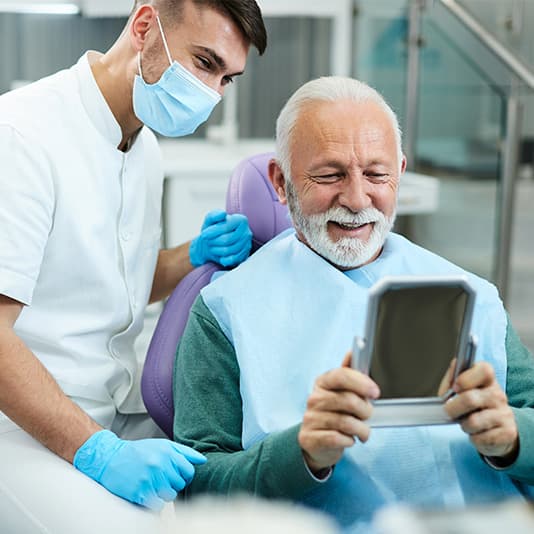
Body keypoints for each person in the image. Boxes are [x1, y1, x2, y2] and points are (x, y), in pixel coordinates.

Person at [172, 76, 534, 531]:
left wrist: (513, 436)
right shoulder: (225, 309)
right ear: (281, 182)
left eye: (377, 174)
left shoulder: (471, 295)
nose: (357, 199)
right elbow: (197, 489)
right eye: (329, 175)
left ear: (400, 172)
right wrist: (299, 453)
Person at [0, 0, 266, 531]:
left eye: (227, 79)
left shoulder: (143, 146)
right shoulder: (22, 135)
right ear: (145, 26)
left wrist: (192, 255)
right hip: (22, 427)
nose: (211, 93)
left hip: (114, 405)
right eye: (203, 62)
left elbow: (114, 284)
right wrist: (98, 453)